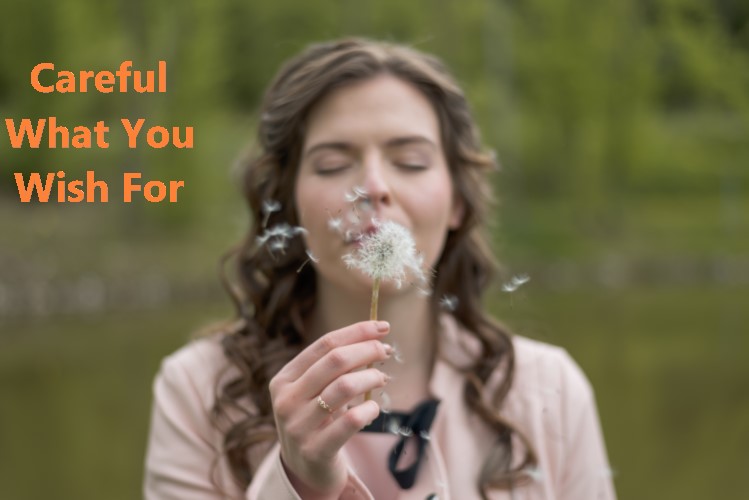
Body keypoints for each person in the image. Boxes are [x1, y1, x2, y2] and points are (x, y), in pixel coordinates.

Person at [143, 38, 617, 500]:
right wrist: (300, 484)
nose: (373, 186)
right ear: (288, 204)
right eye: (332, 165)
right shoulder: (199, 392)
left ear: (457, 200)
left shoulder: (547, 391)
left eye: (411, 162)